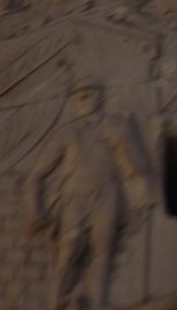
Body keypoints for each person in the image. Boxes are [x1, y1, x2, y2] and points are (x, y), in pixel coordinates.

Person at [25, 80, 154, 309]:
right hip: (75, 197)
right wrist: (34, 208)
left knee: (102, 254)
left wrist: (120, 145)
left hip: (107, 194)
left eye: (88, 94)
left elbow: (139, 169)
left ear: (100, 96)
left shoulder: (117, 126)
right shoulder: (67, 133)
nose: (83, 99)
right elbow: (37, 174)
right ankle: (56, 303)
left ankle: (98, 305)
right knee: (70, 249)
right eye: (79, 95)